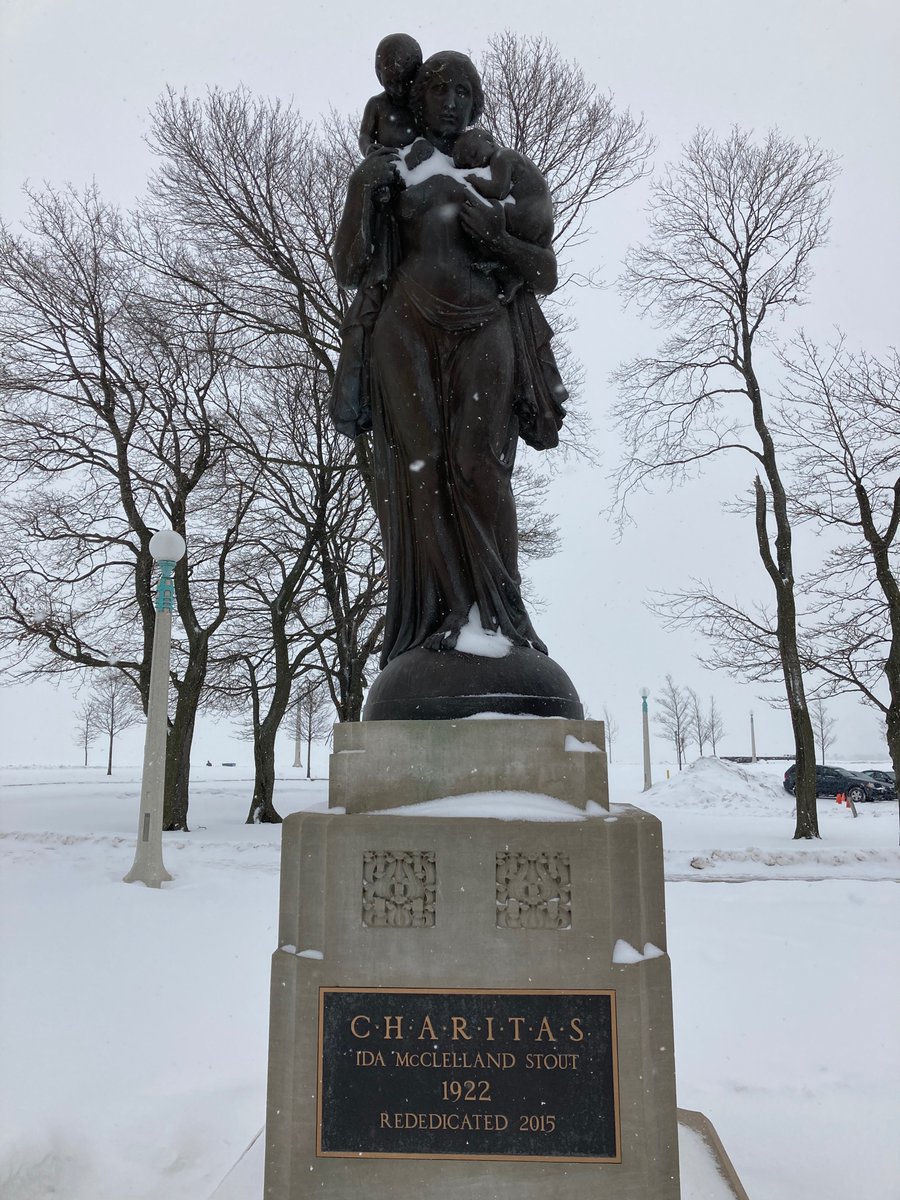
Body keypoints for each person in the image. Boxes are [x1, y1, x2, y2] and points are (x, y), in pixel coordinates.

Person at [333, 50, 568, 667]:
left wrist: (496, 234)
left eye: (465, 90)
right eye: (441, 89)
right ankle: (451, 612)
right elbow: (349, 268)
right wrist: (364, 188)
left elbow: (544, 270)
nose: (453, 101)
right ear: (420, 96)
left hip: (483, 325)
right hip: (404, 327)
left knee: (478, 463)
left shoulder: (507, 169)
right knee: (422, 468)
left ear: (478, 98)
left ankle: (501, 616)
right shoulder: (393, 169)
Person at [357, 33, 422, 157]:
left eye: (406, 82)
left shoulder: (422, 103)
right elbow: (364, 136)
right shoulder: (376, 104)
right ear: (379, 74)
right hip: (389, 164)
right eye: (391, 82)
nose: (399, 89)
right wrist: (368, 148)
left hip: (421, 166)